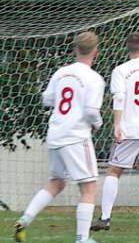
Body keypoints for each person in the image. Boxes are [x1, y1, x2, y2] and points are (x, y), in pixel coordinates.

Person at [14, 32, 104, 243]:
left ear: (75, 49)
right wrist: (98, 124)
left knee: (56, 183)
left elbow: (47, 99)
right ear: (96, 52)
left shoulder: (61, 72)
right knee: (89, 187)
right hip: (75, 135)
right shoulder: (94, 78)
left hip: (56, 133)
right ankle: (82, 238)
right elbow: (91, 110)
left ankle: (24, 220)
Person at [91, 32, 139, 232]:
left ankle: (105, 217)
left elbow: (118, 98)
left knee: (113, 170)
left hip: (129, 127)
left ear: (127, 48)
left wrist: (116, 125)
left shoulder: (120, 70)